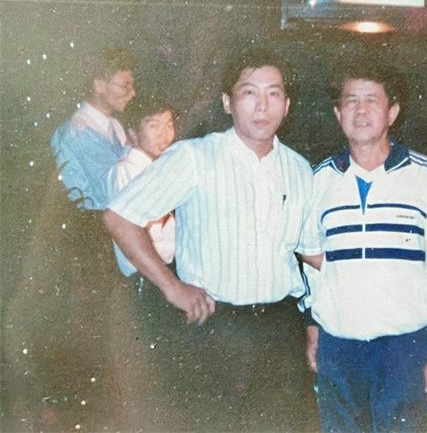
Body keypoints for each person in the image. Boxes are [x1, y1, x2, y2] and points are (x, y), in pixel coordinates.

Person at [102, 47, 319, 430]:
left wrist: (313, 324)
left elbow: (311, 255)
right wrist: (171, 287)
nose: (262, 105)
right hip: (216, 327)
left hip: (280, 330)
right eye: (249, 92)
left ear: (287, 105)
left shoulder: (299, 169)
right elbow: (119, 217)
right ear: (228, 102)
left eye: (273, 93)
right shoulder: (194, 157)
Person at [301, 55, 427, 432]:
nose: (360, 110)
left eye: (371, 100)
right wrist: (312, 324)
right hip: (338, 347)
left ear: (392, 112)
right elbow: (309, 261)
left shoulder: (426, 177)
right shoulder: (319, 180)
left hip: (403, 349)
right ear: (338, 113)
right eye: (351, 101)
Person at [51, 47, 136, 210]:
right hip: (92, 220)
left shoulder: (114, 125)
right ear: (99, 86)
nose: (133, 93)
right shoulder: (79, 132)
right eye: (125, 86)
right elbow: (111, 192)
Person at [107, 96, 176, 284]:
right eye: (154, 126)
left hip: (165, 269)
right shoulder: (126, 170)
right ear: (133, 134)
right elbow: (135, 236)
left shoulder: (158, 168)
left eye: (169, 125)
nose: (164, 134)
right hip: (146, 276)